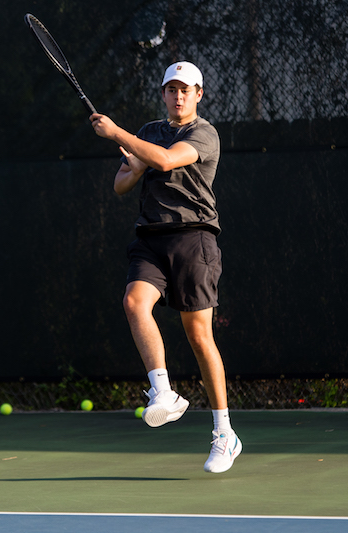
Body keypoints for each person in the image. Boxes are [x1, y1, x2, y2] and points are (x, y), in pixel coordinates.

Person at [90, 61, 242, 473]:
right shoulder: (148, 131)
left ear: (198, 95)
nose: (178, 96)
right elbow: (122, 184)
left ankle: (224, 434)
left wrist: (118, 135)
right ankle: (163, 393)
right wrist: (134, 163)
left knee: (198, 336)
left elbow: (166, 161)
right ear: (163, 94)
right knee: (134, 302)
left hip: (194, 238)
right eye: (171, 89)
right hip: (150, 238)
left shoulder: (203, 133)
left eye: (186, 90)